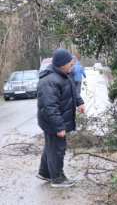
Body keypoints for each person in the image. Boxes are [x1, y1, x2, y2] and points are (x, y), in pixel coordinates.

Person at [36, 49, 85, 188]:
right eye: (70, 61)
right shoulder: (49, 81)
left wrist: (79, 102)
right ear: (61, 64)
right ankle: (57, 179)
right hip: (52, 121)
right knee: (57, 148)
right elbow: (49, 107)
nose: (72, 63)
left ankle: (45, 173)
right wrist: (59, 126)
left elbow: (72, 90)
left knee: (51, 146)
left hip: (57, 120)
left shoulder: (64, 75)